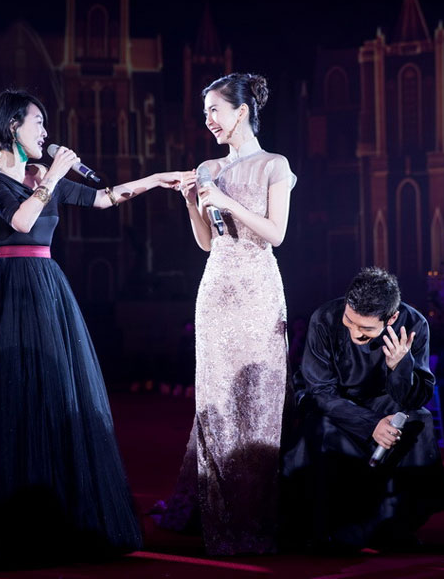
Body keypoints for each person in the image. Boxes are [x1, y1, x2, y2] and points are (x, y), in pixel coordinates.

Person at [0, 88, 189, 568]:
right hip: (7, 285)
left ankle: (62, 517)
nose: (46, 133)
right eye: (38, 123)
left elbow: (104, 199)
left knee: (57, 392)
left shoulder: (43, 173)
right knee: (6, 396)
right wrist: (53, 177)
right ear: (11, 127)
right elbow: (22, 221)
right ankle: (2, 524)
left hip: (47, 286)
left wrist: (154, 180)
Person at [158, 73, 295, 555]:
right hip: (216, 287)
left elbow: (275, 234)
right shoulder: (207, 167)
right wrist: (194, 204)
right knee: (215, 402)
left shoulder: (274, 165)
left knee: (257, 400)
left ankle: (257, 520)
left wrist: (226, 200)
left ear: (241, 111)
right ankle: (217, 520)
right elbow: (207, 242)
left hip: (258, 287)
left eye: (214, 110)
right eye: (205, 113)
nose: (208, 120)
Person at [281, 267, 444, 551]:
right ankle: (326, 529)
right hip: (333, 401)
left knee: (418, 421)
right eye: (350, 322)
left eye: (366, 329)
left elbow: (416, 398)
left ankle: (398, 526)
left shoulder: (414, 324)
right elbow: (320, 390)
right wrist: (371, 424)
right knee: (322, 428)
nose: (355, 332)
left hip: (386, 402)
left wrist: (400, 367)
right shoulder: (324, 318)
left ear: (392, 318)